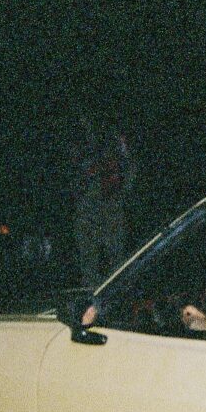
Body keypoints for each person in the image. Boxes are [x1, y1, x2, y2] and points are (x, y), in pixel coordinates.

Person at [73, 120, 137, 287]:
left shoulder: (115, 146)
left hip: (111, 204)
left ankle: (116, 293)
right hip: (89, 205)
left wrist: (120, 194)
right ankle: (91, 295)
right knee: (89, 258)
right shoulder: (83, 149)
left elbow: (129, 170)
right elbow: (75, 176)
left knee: (115, 257)